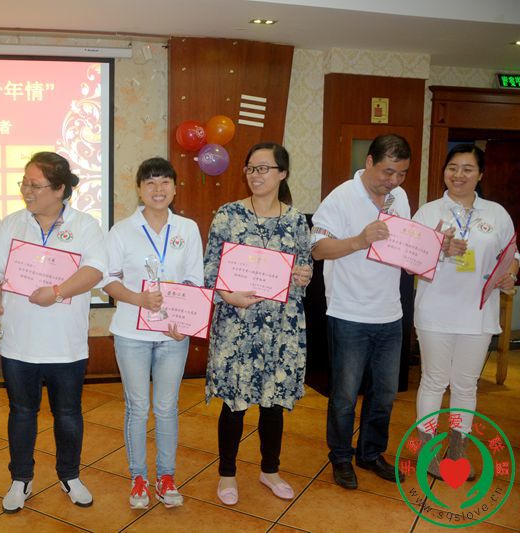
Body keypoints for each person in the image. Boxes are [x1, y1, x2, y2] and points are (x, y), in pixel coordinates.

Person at [0, 151, 107, 513]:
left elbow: (95, 270)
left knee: (68, 414)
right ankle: (21, 478)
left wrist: (57, 292)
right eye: (24, 183)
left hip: (66, 343)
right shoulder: (11, 224)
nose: (26, 190)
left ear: (60, 189)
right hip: (19, 342)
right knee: (21, 412)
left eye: (35, 185)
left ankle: (70, 476)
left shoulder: (85, 225)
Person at [204, 142, 312, 504]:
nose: (255, 175)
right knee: (233, 402)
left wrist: (304, 275)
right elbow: (210, 268)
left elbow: (304, 268)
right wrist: (227, 294)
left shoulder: (296, 221)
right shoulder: (228, 214)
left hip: (280, 327)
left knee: (273, 401)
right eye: (251, 168)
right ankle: (227, 474)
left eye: (263, 168)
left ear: (282, 173)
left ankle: (270, 470)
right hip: (236, 323)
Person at [311, 133, 412, 490]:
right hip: (349, 313)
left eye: (401, 173)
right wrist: (359, 239)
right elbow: (318, 249)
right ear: (369, 162)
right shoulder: (340, 197)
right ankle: (341, 457)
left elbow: (404, 247)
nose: (394, 181)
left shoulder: (400, 197)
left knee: (384, 395)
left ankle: (370, 453)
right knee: (344, 395)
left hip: (390, 313)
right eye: (388, 172)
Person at [103, 157, 203, 509]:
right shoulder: (121, 231)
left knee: (166, 407)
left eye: (164, 182)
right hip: (131, 333)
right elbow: (108, 281)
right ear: (139, 189)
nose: (158, 189)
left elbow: (194, 280)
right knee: (137, 407)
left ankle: (166, 477)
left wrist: (184, 323)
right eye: (150, 183)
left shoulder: (187, 228)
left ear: (175, 188)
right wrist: (139, 299)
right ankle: (138, 478)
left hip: (173, 335)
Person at [412, 144, 518, 478]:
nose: (458, 175)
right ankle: (427, 454)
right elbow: (411, 262)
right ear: (444, 171)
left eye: (468, 169)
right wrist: (439, 250)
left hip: (478, 313)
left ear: (480, 174)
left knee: (465, 386)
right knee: (433, 381)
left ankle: (456, 454)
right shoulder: (428, 212)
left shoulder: (496, 214)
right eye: (453, 167)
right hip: (434, 311)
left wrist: (510, 274)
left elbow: (512, 254)